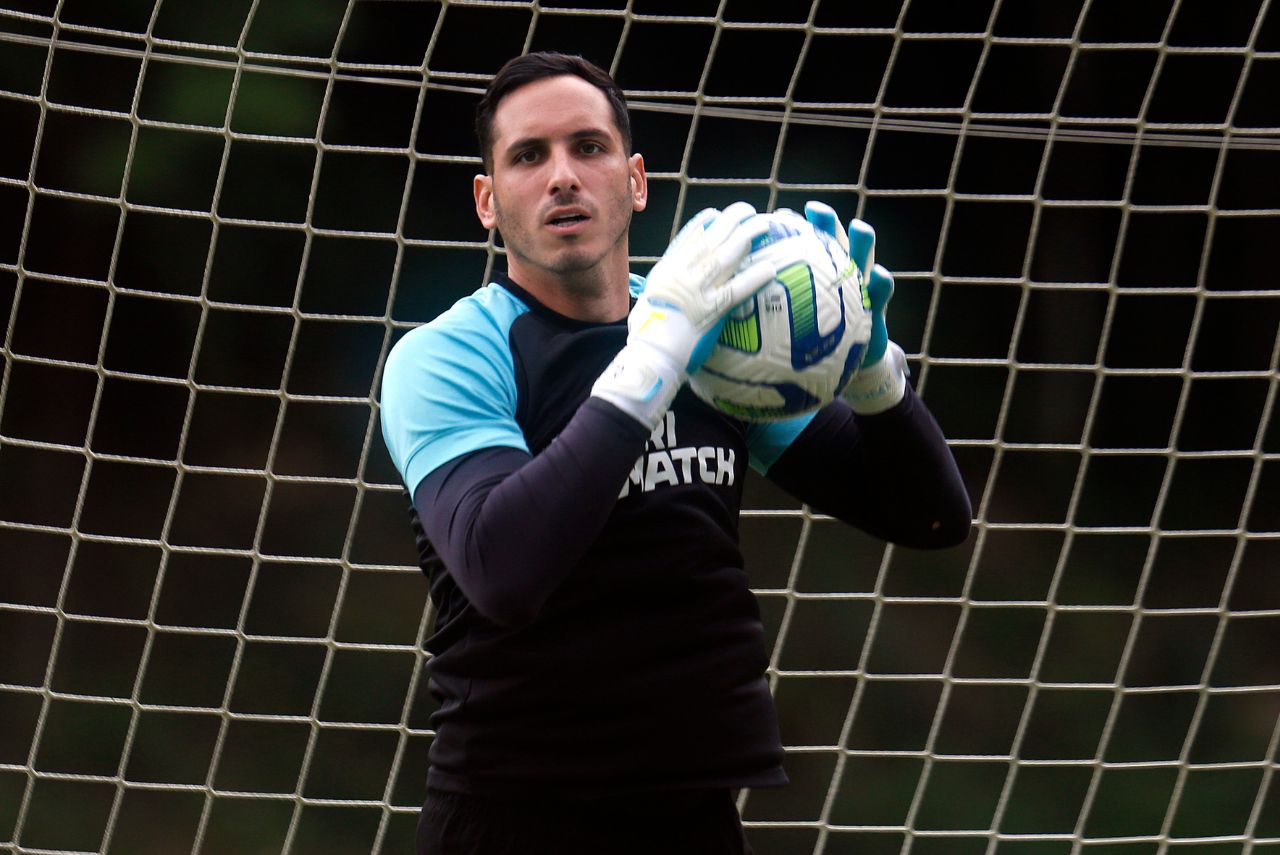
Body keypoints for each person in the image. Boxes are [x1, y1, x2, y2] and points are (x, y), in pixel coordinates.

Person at [379, 51, 972, 855]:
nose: (561, 176)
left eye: (588, 147)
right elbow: (504, 569)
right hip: (512, 817)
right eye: (528, 155)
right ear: (487, 201)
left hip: (693, 813)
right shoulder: (450, 355)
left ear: (636, 181)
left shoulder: (720, 346)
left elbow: (931, 516)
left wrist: (873, 374)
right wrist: (652, 358)